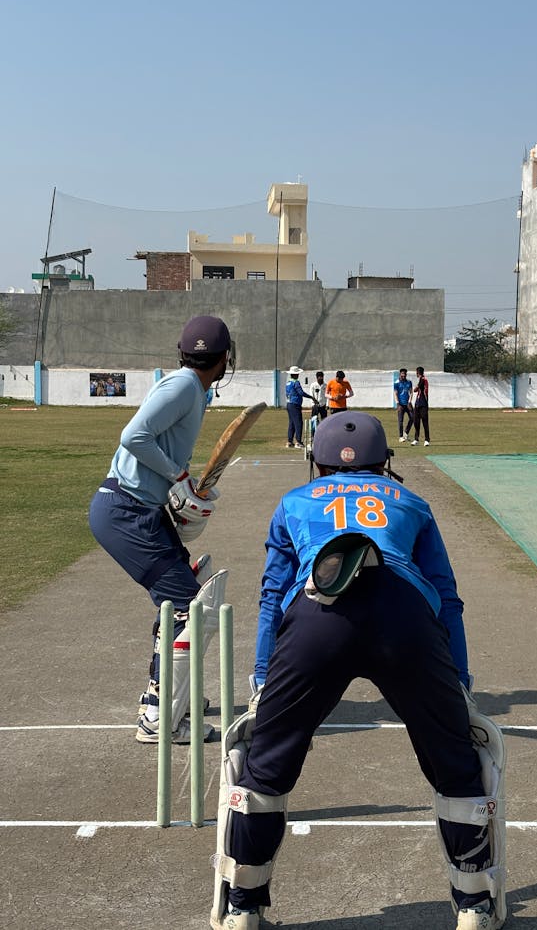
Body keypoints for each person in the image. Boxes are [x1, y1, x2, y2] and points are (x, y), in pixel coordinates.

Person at [209, 412, 506, 930]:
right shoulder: (413, 502)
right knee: (455, 758)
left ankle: (243, 907)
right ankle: (474, 906)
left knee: (267, 760)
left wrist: (262, 676)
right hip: (404, 613)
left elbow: (273, 596)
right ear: (384, 462)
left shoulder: (294, 502)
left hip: (317, 615)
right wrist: (460, 680)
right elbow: (449, 599)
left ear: (317, 461)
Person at [88, 315, 233, 744]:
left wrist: (180, 490)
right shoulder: (185, 385)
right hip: (124, 511)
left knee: (188, 589)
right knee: (186, 605)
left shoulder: (190, 387)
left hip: (140, 510)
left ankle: (175, 693)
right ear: (225, 358)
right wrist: (176, 476)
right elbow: (133, 435)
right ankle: (158, 716)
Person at [285, 366, 313, 448]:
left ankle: (289, 441)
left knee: (292, 423)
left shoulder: (288, 382)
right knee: (298, 423)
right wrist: (311, 397)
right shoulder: (296, 382)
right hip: (295, 404)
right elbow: (301, 392)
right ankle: (298, 442)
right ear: (296, 374)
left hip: (289, 404)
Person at [393, 367, 414, 441]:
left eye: (404, 375)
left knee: (413, 418)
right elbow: (395, 393)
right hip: (400, 404)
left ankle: (406, 433)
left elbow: (411, 392)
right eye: (402, 375)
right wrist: (397, 404)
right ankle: (401, 437)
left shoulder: (409, 382)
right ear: (400, 374)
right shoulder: (396, 383)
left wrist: (409, 402)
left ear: (406, 375)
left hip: (408, 404)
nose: (403, 377)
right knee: (400, 421)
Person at [412, 365, 430, 446]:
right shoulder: (420, 380)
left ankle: (427, 440)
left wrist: (416, 388)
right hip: (417, 403)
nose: (416, 373)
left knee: (425, 422)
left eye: (416, 372)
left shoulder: (423, 379)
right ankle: (416, 439)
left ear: (418, 372)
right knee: (416, 422)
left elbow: (417, 389)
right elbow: (416, 390)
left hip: (423, 404)